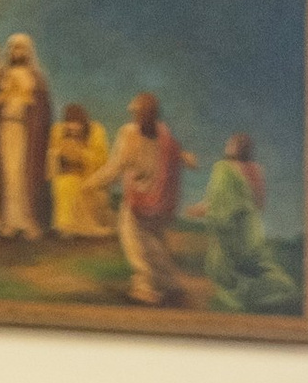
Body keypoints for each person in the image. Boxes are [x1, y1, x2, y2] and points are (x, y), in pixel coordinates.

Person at [96, 91, 193, 306]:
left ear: (153, 115)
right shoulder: (132, 133)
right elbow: (120, 164)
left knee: (136, 242)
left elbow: (117, 167)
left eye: (144, 113)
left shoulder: (160, 135)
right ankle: (169, 285)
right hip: (145, 197)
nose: (139, 118)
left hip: (150, 200)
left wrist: (94, 183)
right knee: (153, 245)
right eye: (137, 113)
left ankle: (145, 288)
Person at [202, 133, 294, 311]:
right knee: (253, 263)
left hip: (234, 225)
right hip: (251, 226)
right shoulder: (257, 169)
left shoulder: (223, 168)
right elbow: (260, 202)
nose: (227, 146)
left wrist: (214, 210)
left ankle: (240, 292)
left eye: (230, 143)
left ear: (237, 147)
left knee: (228, 264)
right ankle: (265, 290)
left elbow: (218, 201)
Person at [0, 33, 52, 239]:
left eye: (21, 48)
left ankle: (29, 221)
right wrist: (1, 100)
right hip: (5, 129)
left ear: (28, 51)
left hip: (26, 132)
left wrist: (29, 105)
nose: (17, 52)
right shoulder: (1, 75)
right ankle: (9, 221)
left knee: (24, 175)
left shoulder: (36, 77)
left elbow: (43, 107)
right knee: (8, 176)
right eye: (13, 48)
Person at [49, 100, 112, 239]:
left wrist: (81, 154)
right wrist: (59, 153)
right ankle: (64, 227)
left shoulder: (96, 131)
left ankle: (77, 227)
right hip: (65, 175)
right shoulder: (58, 131)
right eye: (69, 124)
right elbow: (51, 155)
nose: (73, 128)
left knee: (78, 187)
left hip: (88, 177)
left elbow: (102, 161)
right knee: (63, 184)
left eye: (77, 124)